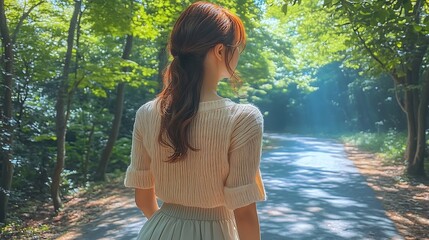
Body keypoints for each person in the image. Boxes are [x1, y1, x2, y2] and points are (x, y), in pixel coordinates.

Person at [124, 1, 266, 239]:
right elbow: (244, 213)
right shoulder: (243, 118)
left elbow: (143, 199)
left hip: (158, 231)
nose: (239, 54)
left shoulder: (147, 113)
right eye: (237, 47)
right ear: (220, 51)